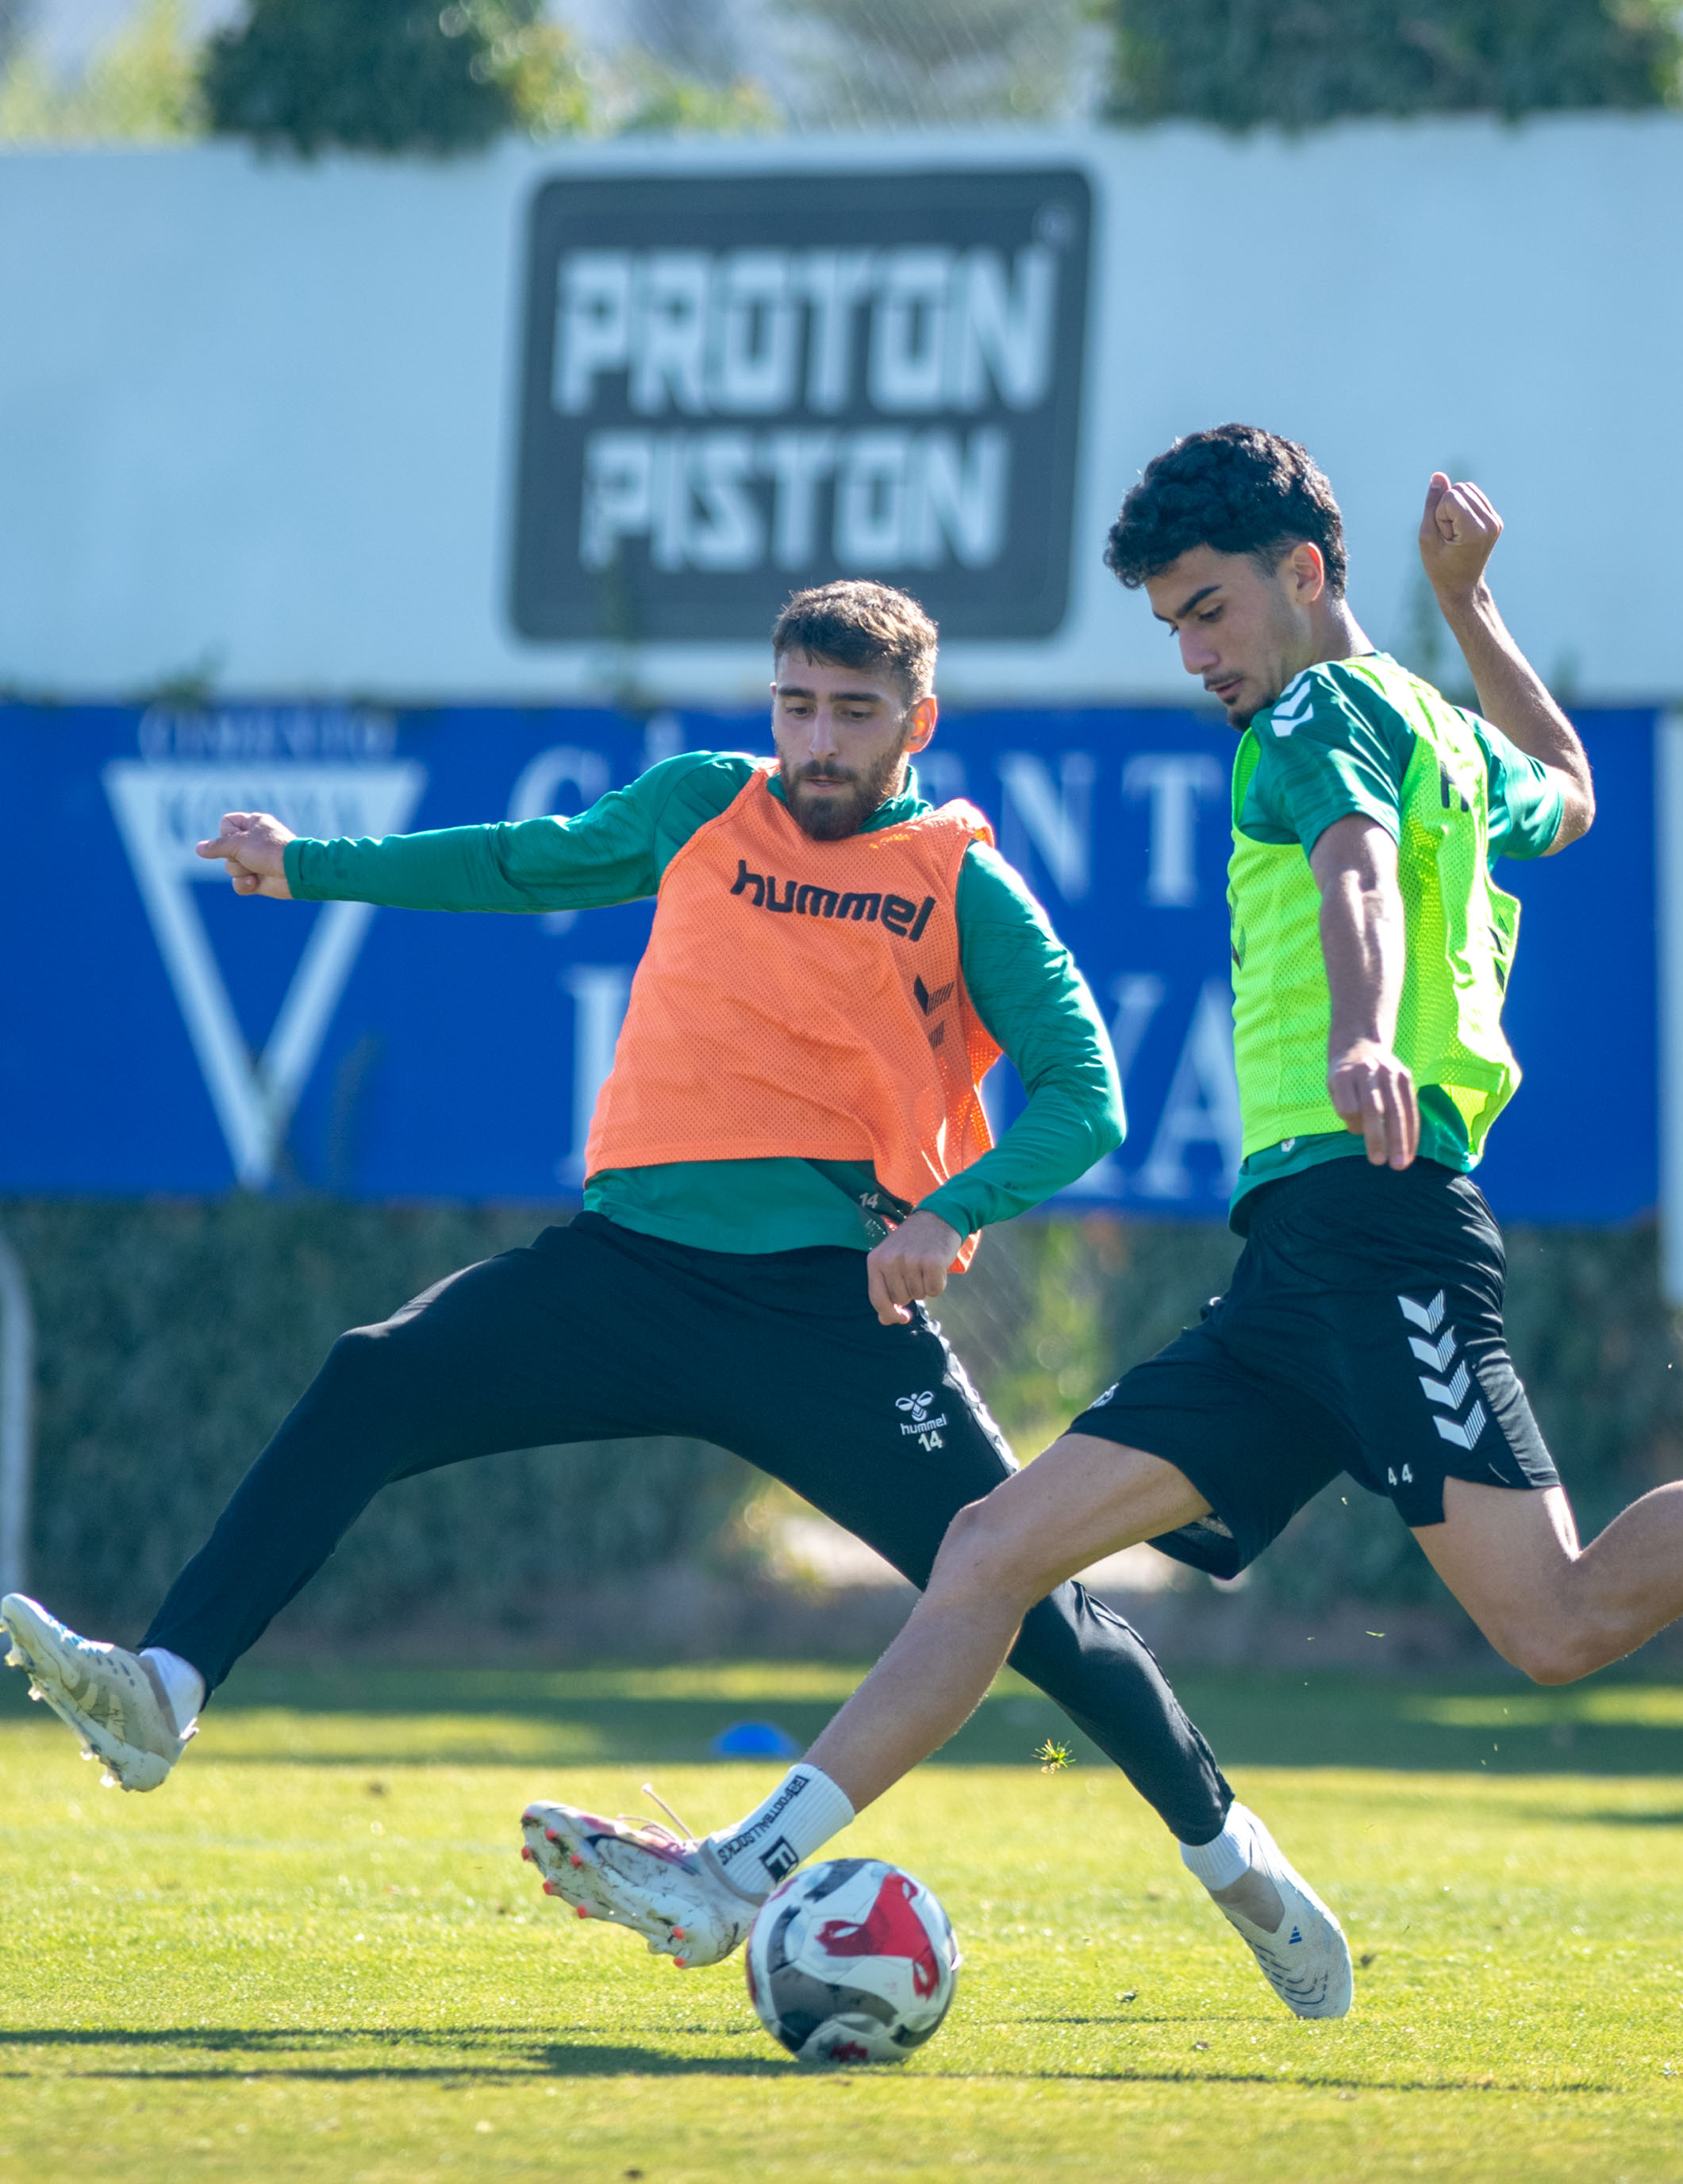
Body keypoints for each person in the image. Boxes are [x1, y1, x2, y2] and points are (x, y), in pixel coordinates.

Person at [666, 425, 1683, 1907]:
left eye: (1210, 609)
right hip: (1304, 1262)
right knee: (992, 1547)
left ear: (1305, 571)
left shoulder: (1313, 719)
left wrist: (1364, 1032)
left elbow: (1360, 871)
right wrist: (1472, 608)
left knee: (1560, 1620)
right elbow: (1569, 789)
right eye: (1173, 624)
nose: (1196, 653)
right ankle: (747, 1873)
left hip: (1381, 1225)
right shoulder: (1436, 721)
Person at [0, 578, 1350, 2020]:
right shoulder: (707, 801)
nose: (816, 741)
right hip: (628, 1273)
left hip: (826, 1318)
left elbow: (1089, 1094)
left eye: (853, 714)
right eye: (796, 706)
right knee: (374, 1375)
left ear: (918, 723)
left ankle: (1237, 1864)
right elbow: (525, 864)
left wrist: (952, 1209)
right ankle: (166, 1690)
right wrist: (307, 863)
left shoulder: (962, 884)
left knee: (1031, 1602)